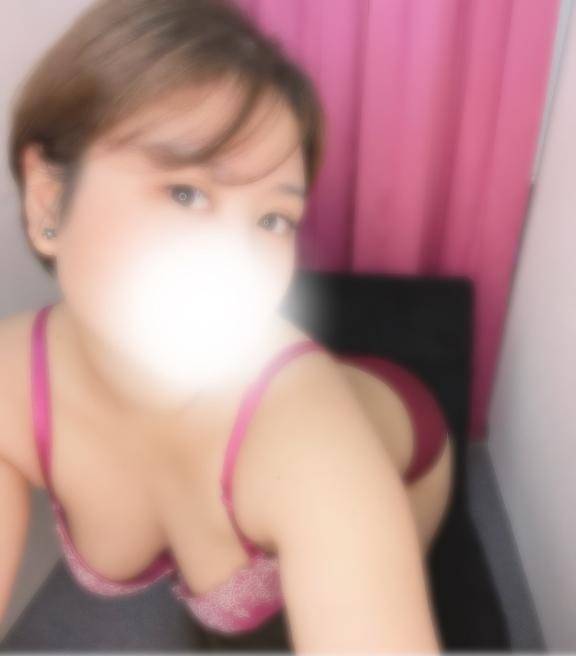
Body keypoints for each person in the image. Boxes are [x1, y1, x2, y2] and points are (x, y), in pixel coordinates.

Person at [0, 0, 454, 651]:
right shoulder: (11, 386)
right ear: (48, 198)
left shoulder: (314, 449)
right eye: (186, 192)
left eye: (273, 219)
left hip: (402, 433)